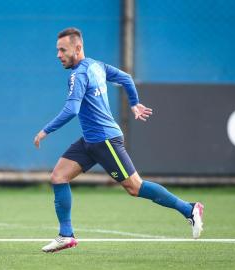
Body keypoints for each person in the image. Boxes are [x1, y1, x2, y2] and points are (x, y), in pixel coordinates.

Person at [33, 27, 204, 253]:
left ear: (78, 48)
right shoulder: (97, 66)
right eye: (57, 50)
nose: (58, 55)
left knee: (135, 187)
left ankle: (189, 209)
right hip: (91, 140)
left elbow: (72, 109)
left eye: (62, 50)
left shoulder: (79, 74)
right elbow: (125, 78)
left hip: (105, 140)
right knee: (58, 176)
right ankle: (66, 235)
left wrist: (46, 130)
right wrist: (134, 102)